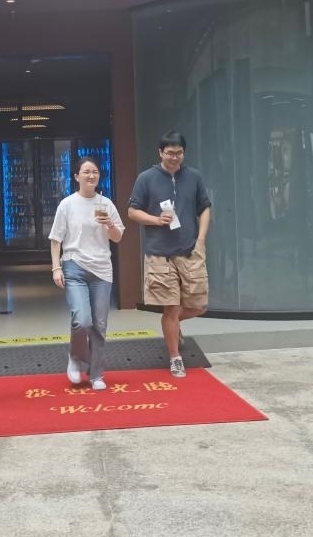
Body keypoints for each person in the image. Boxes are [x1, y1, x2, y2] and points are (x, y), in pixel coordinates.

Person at [127, 131, 211, 378]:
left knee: (199, 305)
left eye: (179, 153)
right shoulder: (146, 178)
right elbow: (132, 211)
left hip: (190, 251)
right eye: (170, 153)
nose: (175, 157)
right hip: (160, 253)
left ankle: (172, 326)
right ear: (160, 153)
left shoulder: (194, 176)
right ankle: (175, 357)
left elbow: (205, 208)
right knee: (171, 309)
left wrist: (201, 240)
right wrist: (155, 219)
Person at [48, 157, 124, 391]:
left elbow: (118, 238)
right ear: (76, 176)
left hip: (102, 269)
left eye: (95, 172)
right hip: (74, 265)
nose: (91, 176)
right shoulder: (67, 204)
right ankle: (75, 357)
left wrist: (109, 224)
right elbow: (55, 239)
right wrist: (56, 268)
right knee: (82, 321)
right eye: (86, 172)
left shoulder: (106, 204)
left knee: (99, 325)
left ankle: (96, 374)